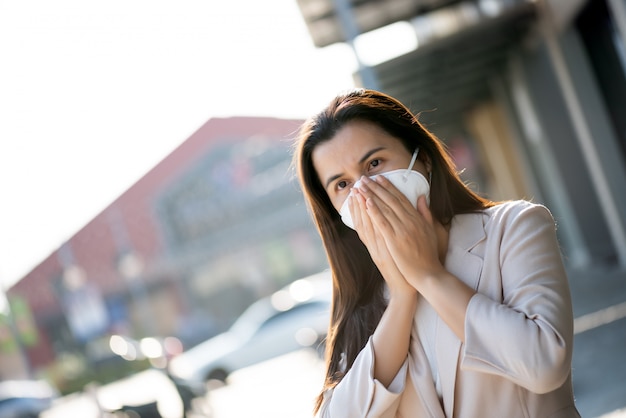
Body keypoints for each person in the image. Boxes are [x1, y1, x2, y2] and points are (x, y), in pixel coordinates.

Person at [293, 88, 580, 417]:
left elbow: (543, 365)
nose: (364, 190)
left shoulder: (513, 228)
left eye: (374, 163)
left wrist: (428, 275)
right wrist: (402, 297)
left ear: (423, 159)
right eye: (342, 184)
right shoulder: (365, 299)